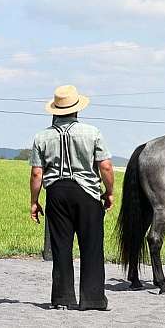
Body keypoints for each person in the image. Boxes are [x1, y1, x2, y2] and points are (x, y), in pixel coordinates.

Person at [29, 85, 115, 311]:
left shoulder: (41, 137)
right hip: (87, 193)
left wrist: (34, 201)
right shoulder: (93, 132)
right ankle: (93, 299)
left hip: (56, 194)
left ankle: (63, 298)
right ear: (77, 110)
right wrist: (109, 192)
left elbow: (37, 173)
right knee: (92, 247)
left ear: (55, 110)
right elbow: (105, 166)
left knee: (61, 248)